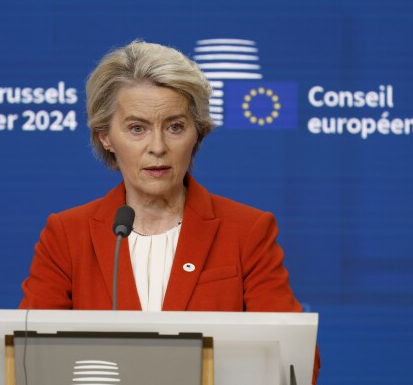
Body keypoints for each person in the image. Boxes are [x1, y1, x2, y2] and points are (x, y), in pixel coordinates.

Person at [19, 40, 320, 382]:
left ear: (197, 133)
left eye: (175, 126)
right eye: (137, 128)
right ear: (105, 136)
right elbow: (31, 358)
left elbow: (297, 361)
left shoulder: (247, 230)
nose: (158, 147)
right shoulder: (66, 234)